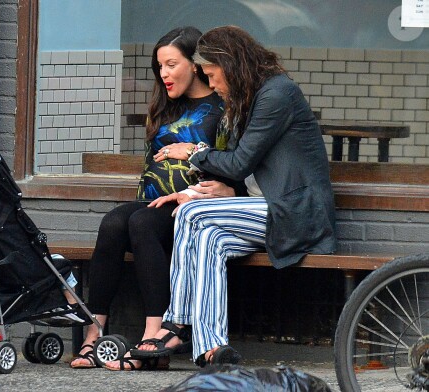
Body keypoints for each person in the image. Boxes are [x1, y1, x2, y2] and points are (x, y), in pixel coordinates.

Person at [130, 25, 337, 367]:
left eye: (212, 75)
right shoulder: (251, 97)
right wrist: (206, 188)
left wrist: (194, 153)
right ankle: (212, 347)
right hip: (266, 208)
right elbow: (243, 170)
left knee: (190, 214)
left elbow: (240, 163)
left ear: (230, 65)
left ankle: (177, 321)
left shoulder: (276, 95)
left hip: (295, 214)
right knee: (210, 238)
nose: (211, 84)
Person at [69, 26, 225, 371]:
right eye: (160, 67)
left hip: (194, 207)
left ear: (195, 65)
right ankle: (93, 334)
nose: (164, 74)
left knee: (140, 223)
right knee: (112, 223)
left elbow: (229, 166)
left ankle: (153, 336)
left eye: (171, 65)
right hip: (153, 203)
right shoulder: (164, 106)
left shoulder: (220, 108)